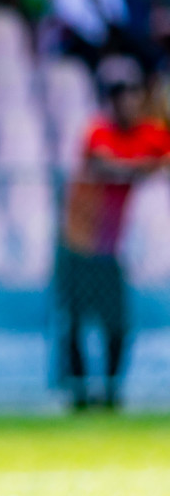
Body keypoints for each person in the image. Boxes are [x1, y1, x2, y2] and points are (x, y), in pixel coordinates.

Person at [55, 56, 170, 410]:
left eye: (134, 93)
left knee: (117, 324)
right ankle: (78, 393)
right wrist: (145, 167)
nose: (130, 101)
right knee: (74, 321)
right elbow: (107, 165)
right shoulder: (98, 131)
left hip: (109, 247)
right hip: (77, 244)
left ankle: (110, 392)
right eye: (122, 94)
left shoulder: (149, 134)